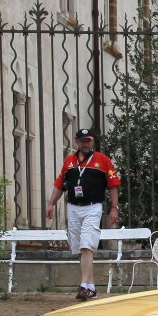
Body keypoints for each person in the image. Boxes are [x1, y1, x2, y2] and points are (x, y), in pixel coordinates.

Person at [44, 128, 120, 301]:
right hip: (73, 207)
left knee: (87, 245)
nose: (86, 144)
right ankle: (90, 287)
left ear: (92, 141)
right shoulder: (69, 162)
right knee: (80, 247)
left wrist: (114, 208)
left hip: (93, 207)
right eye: (83, 141)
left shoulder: (102, 160)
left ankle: (84, 285)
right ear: (77, 142)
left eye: (89, 140)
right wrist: (51, 203)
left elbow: (113, 185)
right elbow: (60, 185)